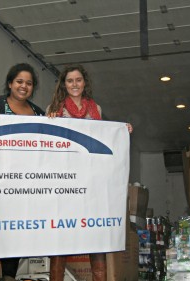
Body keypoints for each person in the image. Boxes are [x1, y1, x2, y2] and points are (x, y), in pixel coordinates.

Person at [46, 64, 132, 281]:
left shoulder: (96, 109)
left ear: (84, 83)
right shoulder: (54, 109)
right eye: (70, 81)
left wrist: (122, 131)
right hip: (65, 182)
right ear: (64, 85)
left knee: (97, 235)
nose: (74, 84)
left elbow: (103, 138)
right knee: (61, 235)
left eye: (78, 80)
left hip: (92, 181)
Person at [0, 63, 45, 281]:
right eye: (19, 81)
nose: (24, 86)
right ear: (10, 83)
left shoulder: (38, 113)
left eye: (29, 83)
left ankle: (8, 277)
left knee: (12, 236)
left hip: (21, 187)